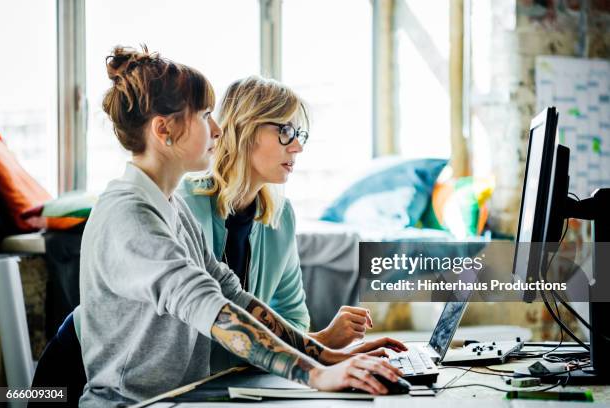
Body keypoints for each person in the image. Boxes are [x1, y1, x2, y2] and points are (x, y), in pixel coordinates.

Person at [78, 46, 405, 407]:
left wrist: (326, 355)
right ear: (164, 130)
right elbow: (209, 305)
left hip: (184, 398)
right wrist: (316, 374)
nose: (218, 128)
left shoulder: (170, 208)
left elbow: (233, 296)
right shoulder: (130, 215)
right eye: (205, 116)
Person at [178, 76, 377, 352]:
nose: (297, 147)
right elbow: (194, 337)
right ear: (245, 129)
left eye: (299, 135)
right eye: (285, 131)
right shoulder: (185, 204)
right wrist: (321, 345)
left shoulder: (280, 217)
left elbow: (294, 317)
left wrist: (319, 347)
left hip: (249, 377)